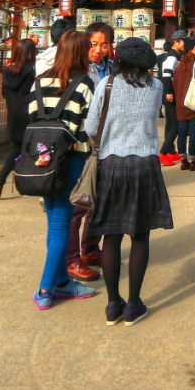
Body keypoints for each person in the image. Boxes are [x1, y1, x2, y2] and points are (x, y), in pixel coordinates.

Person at [84, 36, 173, 327]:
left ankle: (113, 305)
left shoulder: (106, 85)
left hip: (111, 162)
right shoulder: (156, 86)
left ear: (119, 59)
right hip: (145, 163)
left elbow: (89, 127)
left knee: (111, 236)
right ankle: (134, 304)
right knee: (139, 236)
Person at [29, 29, 98, 311]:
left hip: (42, 160)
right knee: (61, 222)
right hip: (72, 159)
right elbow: (90, 127)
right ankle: (46, 289)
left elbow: (32, 117)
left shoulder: (39, 82)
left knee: (52, 220)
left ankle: (59, 281)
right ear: (81, 53)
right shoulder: (84, 85)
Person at [65, 20, 116, 281]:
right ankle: (72, 258)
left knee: (98, 200)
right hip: (81, 143)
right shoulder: (76, 69)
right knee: (78, 202)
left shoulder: (112, 69)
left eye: (103, 44)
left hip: (103, 142)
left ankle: (90, 249)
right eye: (93, 44)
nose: (98, 49)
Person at [0, 38, 37, 198]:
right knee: (34, 151)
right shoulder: (33, 70)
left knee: (16, 150)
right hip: (30, 115)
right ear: (32, 53)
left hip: (13, 116)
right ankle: (27, 186)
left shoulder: (7, 72)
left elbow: (5, 94)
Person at [172, 38, 195, 169]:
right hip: (192, 104)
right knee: (194, 134)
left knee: (182, 133)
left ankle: (183, 160)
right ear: (193, 48)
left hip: (180, 103)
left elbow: (174, 84)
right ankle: (193, 160)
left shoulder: (180, 65)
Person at [157, 31, 187, 165]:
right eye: (183, 41)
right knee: (176, 124)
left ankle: (170, 150)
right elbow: (166, 75)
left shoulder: (173, 55)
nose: (185, 43)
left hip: (167, 91)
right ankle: (163, 152)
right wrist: (169, 91)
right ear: (177, 41)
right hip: (170, 92)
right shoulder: (172, 57)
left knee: (170, 122)